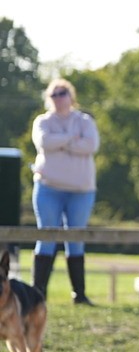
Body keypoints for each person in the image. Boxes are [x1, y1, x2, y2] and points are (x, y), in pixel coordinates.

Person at [31, 78, 100, 305]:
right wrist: (72, 139)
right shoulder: (43, 121)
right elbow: (44, 142)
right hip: (48, 187)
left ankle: (79, 295)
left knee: (76, 238)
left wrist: (60, 142)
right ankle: (38, 294)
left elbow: (91, 145)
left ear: (71, 96)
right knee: (47, 236)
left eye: (63, 93)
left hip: (80, 190)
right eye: (54, 94)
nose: (59, 98)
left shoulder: (85, 121)